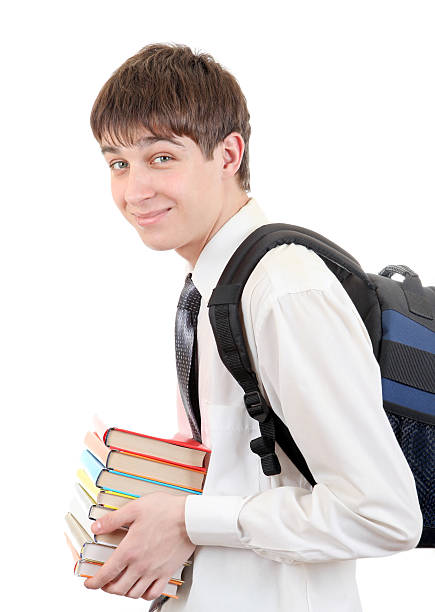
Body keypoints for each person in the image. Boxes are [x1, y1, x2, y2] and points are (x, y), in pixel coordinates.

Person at [83, 42, 423, 611]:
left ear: (228, 153)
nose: (134, 190)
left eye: (161, 157)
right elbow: (250, 475)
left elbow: (382, 513)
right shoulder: (208, 284)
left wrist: (191, 520)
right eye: (118, 162)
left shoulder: (283, 290)